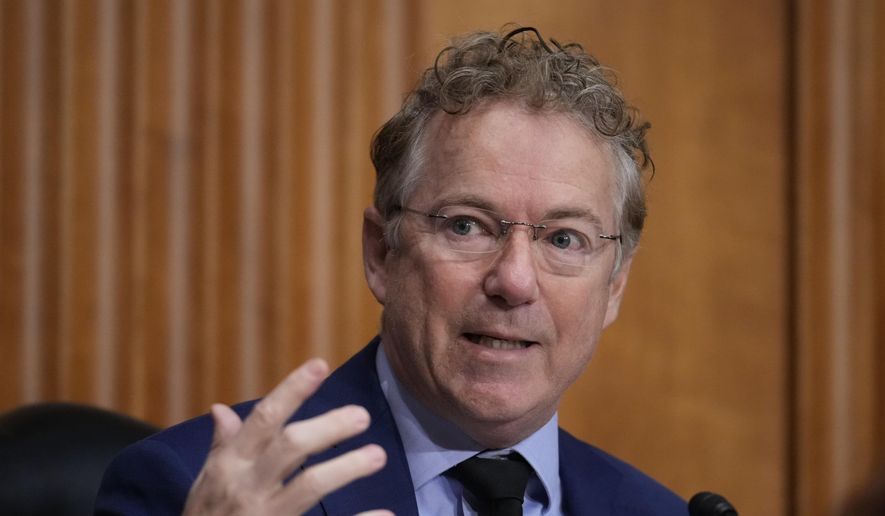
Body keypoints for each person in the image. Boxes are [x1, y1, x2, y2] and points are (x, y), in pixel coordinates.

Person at [95, 27, 686, 515]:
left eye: (564, 238)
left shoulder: (658, 511)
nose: (514, 281)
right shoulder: (192, 491)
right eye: (466, 225)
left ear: (613, 287)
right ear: (382, 253)